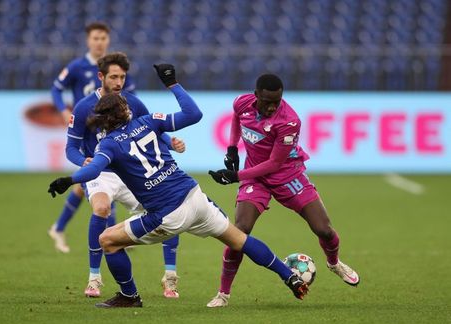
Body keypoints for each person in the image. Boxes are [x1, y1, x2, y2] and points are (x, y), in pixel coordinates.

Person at [47, 64, 309, 308]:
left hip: (168, 214)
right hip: (195, 196)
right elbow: (193, 114)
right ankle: (290, 276)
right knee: (239, 239)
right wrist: (173, 84)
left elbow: (93, 169)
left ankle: (129, 295)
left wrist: (68, 179)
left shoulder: (108, 145)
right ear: (125, 112)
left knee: (108, 240)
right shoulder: (148, 121)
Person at [206, 73, 360, 307]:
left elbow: (275, 164)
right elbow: (237, 118)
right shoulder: (242, 103)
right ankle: (223, 294)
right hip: (255, 179)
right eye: (267, 101)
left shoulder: (289, 121)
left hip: (288, 175)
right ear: (256, 95)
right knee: (240, 231)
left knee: (324, 230)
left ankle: (334, 263)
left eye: (277, 101)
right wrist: (232, 148)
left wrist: (236, 176)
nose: (272, 107)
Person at [65, 52, 184, 298]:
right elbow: (70, 148)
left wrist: (170, 142)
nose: (119, 82)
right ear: (101, 77)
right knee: (101, 209)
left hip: (131, 173)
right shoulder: (84, 107)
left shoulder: (133, 102)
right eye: (113, 77)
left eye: (122, 77)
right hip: (102, 173)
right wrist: (83, 160)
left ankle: (170, 277)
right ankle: (94, 279)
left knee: (170, 207)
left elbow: (150, 129)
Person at [48, 22, 137, 254]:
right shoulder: (77, 67)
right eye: (96, 38)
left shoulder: (115, 69)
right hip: (87, 129)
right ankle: (109, 237)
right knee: (99, 179)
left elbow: (131, 96)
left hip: (111, 128)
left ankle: (60, 227)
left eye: (103, 38)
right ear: (88, 41)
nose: (100, 42)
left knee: (94, 183)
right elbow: (56, 88)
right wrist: (63, 111)